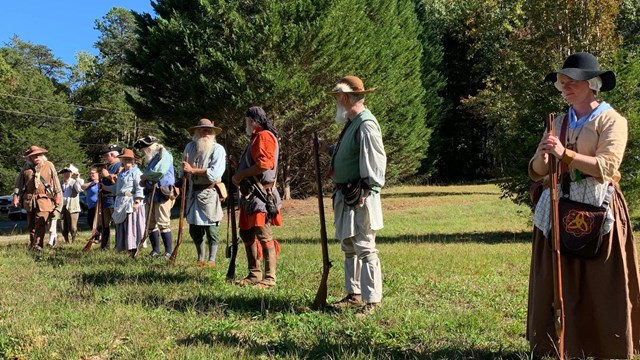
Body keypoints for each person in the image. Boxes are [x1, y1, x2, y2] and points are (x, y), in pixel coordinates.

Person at [528, 52, 640, 358]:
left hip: (598, 210)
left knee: (601, 282)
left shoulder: (612, 120)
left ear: (592, 84)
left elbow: (607, 166)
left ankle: (607, 347)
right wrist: (544, 157)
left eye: (571, 81)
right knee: (556, 277)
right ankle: (559, 347)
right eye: (561, 82)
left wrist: (565, 154)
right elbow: (536, 169)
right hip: (558, 207)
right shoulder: (559, 121)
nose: (565, 87)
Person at [322, 76, 386, 314]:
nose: (336, 102)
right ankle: (354, 294)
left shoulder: (366, 124)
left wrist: (367, 189)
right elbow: (350, 153)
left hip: (359, 196)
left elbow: (375, 161)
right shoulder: (352, 122)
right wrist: (327, 149)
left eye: (338, 97)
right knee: (349, 246)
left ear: (345, 98)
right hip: (347, 195)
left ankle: (372, 301)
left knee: (365, 247)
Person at [232, 107, 282, 289]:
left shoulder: (264, 136)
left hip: (261, 194)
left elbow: (265, 164)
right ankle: (254, 273)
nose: (245, 124)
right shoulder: (256, 138)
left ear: (253, 121)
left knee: (263, 233)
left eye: (247, 120)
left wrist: (240, 175)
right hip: (251, 194)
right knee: (246, 233)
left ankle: (270, 278)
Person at [181, 119, 226, 266]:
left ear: (212, 132)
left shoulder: (217, 149)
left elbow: (214, 173)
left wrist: (193, 170)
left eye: (208, 130)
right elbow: (183, 170)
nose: (205, 133)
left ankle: (212, 260)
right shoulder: (189, 147)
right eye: (202, 130)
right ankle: (200, 258)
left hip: (209, 194)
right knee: (194, 229)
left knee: (211, 229)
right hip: (192, 193)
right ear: (196, 132)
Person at [12, 146, 62, 251]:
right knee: (31, 225)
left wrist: (58, 195)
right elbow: (19, 183)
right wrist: (16, 196)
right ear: (30, 158)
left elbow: (56, 181)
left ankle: (38, 245)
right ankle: (33, 244)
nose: (37, 157)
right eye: (34, 156)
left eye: (39, 155)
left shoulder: (49, 165)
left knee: (40, 222)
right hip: (30, 200)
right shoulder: (26, 167)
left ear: (42, 155)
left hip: (44, 199)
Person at [134, 135, 176, 258]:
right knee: (150, 223)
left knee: (163, 223)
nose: (142, 152)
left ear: (149, 147)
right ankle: (155, 251)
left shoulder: (165, 155)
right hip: (151, 193)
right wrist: (144, 181)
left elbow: (159, 172)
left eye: (143, 149)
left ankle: (168, 252)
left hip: (163, 193)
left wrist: (145, 177)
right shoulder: (154, 157)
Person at [108, 148, 145, 254]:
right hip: (121, 201)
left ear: (133, 161)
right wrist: (104, 187)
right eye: (124, 159)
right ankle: (124, 248)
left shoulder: (136, 172)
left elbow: (139, 188)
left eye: (129, 159)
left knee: (131, 226)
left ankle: (133, 249)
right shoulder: (122, 173)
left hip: (131, 201)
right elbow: (116, 189)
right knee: (122, 226)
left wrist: (137, 202)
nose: (126, 162)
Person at [99, 144, 122, 250]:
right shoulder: (107, 166)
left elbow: (118, 180)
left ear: (112, 154)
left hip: (114, 197)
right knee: (105, 223)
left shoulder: (120, 165)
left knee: (117, 222)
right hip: (105, 197)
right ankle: (105, 245)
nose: (105, 158)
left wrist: (107, 175)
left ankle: (118, 245)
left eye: (106, 155)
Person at [58, 164, 84, 243]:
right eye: (65, 172)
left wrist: (77, 178)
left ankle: (73, 240)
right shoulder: (60, 183)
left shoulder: (75, 181)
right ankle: (66, 240)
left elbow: (79, 189)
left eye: (68, 172)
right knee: (63, 226)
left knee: (72, 226)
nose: (66, 174)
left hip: (73, 206)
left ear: (71, 173)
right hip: (62, 206)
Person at [81, 167, 101, 240]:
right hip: (90, 206)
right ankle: (97, 235)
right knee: (90, 221)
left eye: (93, 173)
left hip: (97, 205)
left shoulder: (100, 182)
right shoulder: (90, 182)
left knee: (97, 222)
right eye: (90, 173)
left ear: (97, 173)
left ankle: (98, 236)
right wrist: (92, 183)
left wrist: (97, 182)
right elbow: (82, 187)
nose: (91, 175)